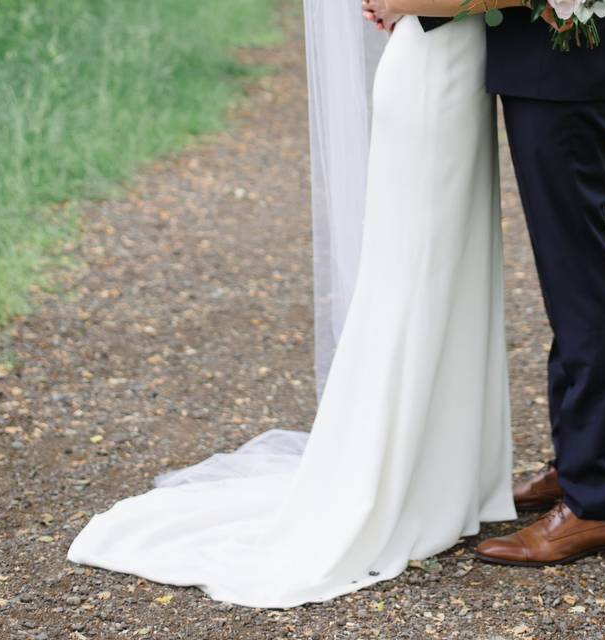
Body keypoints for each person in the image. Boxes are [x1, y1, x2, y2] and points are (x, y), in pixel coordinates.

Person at [68, 1, 518, 609]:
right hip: (433, 76)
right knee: (415, 278)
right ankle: (396, 474)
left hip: (455, 68)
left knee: (445, 276)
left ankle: (447, 474)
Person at [364, 0, 605, 566]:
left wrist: (411, 3)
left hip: (567, 68)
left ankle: (596, 504)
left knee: (578, 276)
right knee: (565, 277)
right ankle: (577, 464)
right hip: (540, 64)